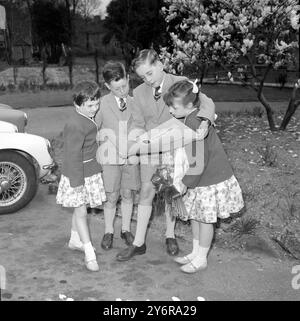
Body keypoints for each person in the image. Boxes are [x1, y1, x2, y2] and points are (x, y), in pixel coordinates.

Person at [116, 49, 215, 261]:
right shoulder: (140, 92)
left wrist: (205, 121)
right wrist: (135, 144)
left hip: (177, 150)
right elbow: (138, 124)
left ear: (160, 64)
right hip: (152, 149)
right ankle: (139, 243)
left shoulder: (180, 81)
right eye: (142, 77)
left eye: (149, 73)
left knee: (172, 193)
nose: (147, 80)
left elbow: (206, 102)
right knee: (146, 192)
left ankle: (170, 234)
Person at [163, 79, 244, 273]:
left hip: (208, 179)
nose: (170, 111)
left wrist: (183, 184)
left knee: (205, 220)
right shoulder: (194, 117)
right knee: (197, 217)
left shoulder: (193, 123)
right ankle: (196, 252)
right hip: (201, 178)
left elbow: (199, 161)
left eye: (173, 107)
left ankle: (201, 258)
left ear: (189, 104)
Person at [56, 81, 106, 272]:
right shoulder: (75, 124)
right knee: (82, 212)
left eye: (96, 103)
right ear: (77, 105)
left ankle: (75, 240)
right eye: (90, 106)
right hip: (77, 175)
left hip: (89, 172)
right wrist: (76, 183)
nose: (95, 109)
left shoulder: (86, 117)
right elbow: (72, 155)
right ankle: (89, 254)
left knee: (80, 210)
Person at [95, 61, 140, 250]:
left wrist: (130, 148)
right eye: (116, 88)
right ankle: (108, 231)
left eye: (124, 86)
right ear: (107, 87)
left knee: (128, 193)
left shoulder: (135, 102)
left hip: (130, 157)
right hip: (110, 159)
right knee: (111, 195)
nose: (122, 91)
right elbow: (95, 129)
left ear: (128, 79)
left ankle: (126, 229)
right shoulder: (102, 104)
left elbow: (140, 127)